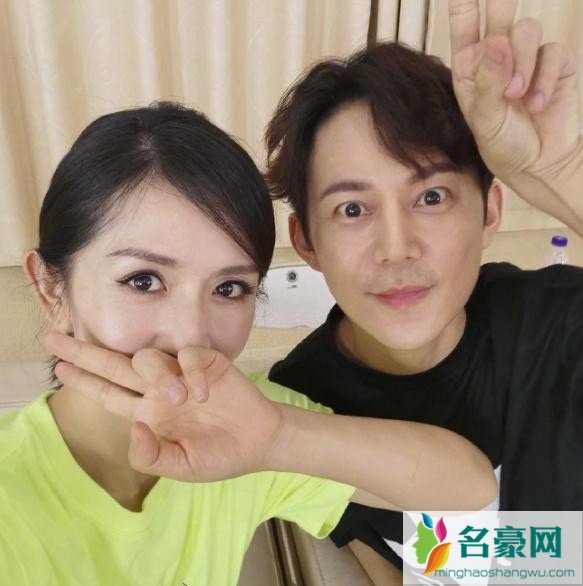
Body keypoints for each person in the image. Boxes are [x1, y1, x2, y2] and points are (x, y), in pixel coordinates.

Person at [1, 101, 495, 585]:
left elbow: (468, 494)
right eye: (143, 281)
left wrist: (278, 440)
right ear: (51, 288)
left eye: (229, 288)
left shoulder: (240, 418)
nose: (190, 337)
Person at [264, 0, 583, 580]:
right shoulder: (300, 403)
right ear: (306, 240)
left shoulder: (560, 323)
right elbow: (388, 558)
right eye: (352, 208)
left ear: (489, 211)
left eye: (431, 197)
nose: (396, 248)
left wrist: (565, 174)